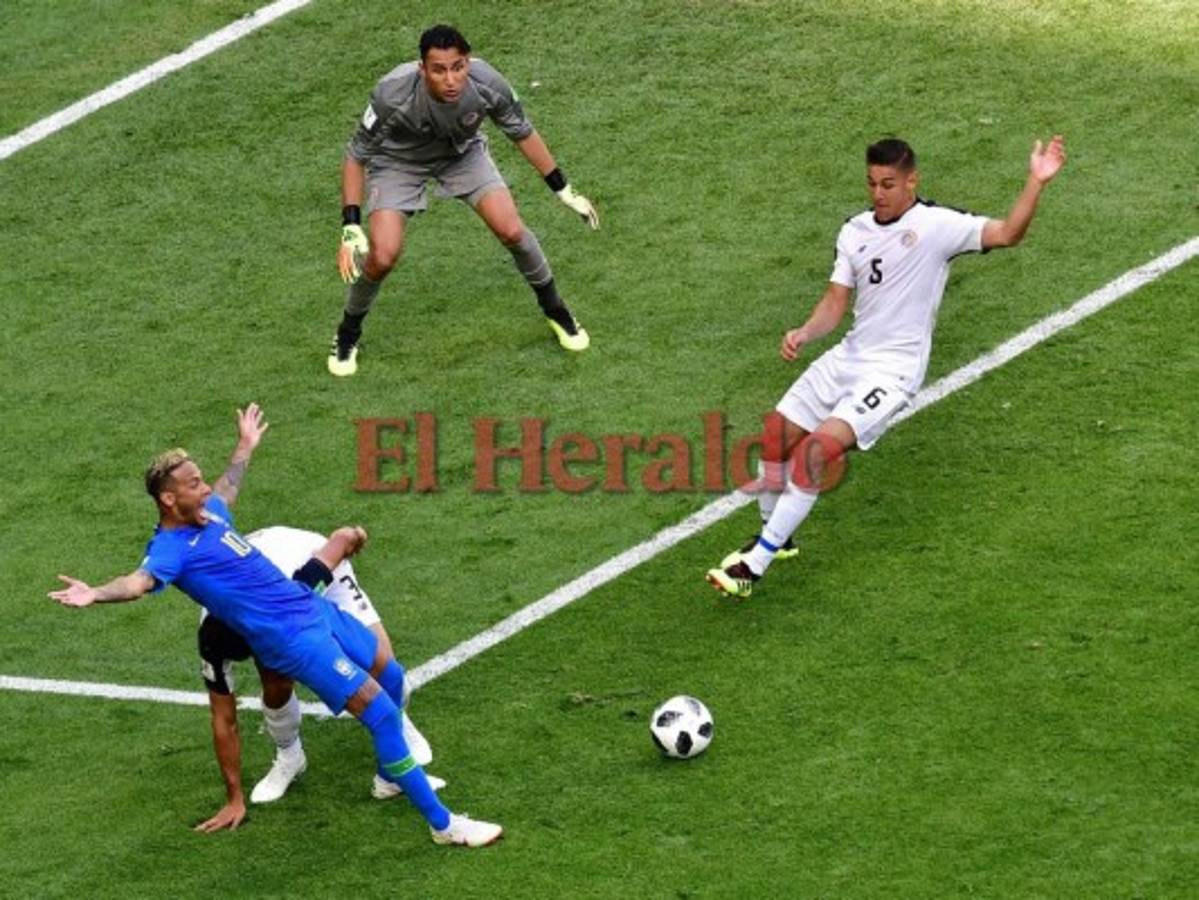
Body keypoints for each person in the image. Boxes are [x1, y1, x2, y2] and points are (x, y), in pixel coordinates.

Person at [49, 404, 502, 847]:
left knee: (393, 677)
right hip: (294, 641)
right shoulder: (170, 549)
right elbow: (138, 582)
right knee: (382, 714)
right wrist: (97, 593)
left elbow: (228, 487)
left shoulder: (211, 514)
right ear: (169, 499)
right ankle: (444, 826)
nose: (204, 488)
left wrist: (245, 446)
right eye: (193, 484)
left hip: (311, 607)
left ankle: (389, 780)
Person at [706, 136, 1067, 599]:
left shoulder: (938, 226)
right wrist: (805, 332)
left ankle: (754, 566)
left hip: (891, 373)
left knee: (814, 454)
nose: (878, 193)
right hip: (849, 357)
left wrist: (1036, 181)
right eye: (872, 183)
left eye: (888, 184)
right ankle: (778, 537)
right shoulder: (854, 231)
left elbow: (1007, 233)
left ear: (912, 181)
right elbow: (835, 303)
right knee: (775, 434)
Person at [329, 23, 599, 376]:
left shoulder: (487, 83)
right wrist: (351, 225)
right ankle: (348, 332)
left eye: (457, 67)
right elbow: (356, 155)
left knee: (513, 231)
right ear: (422, 69)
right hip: (399, 162)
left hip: (462, 154)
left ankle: (556, 310)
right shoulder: (392, 92)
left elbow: (522, 132)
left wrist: (563, 189)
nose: (451, 79)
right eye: (439, 70)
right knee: (382, 256)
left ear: (468, 63)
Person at [195, 524, 444, 834]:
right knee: (276, 681)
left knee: (384, 666)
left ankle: (397, 727)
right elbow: (223, 719)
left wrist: (353, 535)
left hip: (312, 565)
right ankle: (290, 756)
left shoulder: (293, 588)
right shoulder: (211, 639)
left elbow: (337, 544)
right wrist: (234, 798)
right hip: (270, 603)